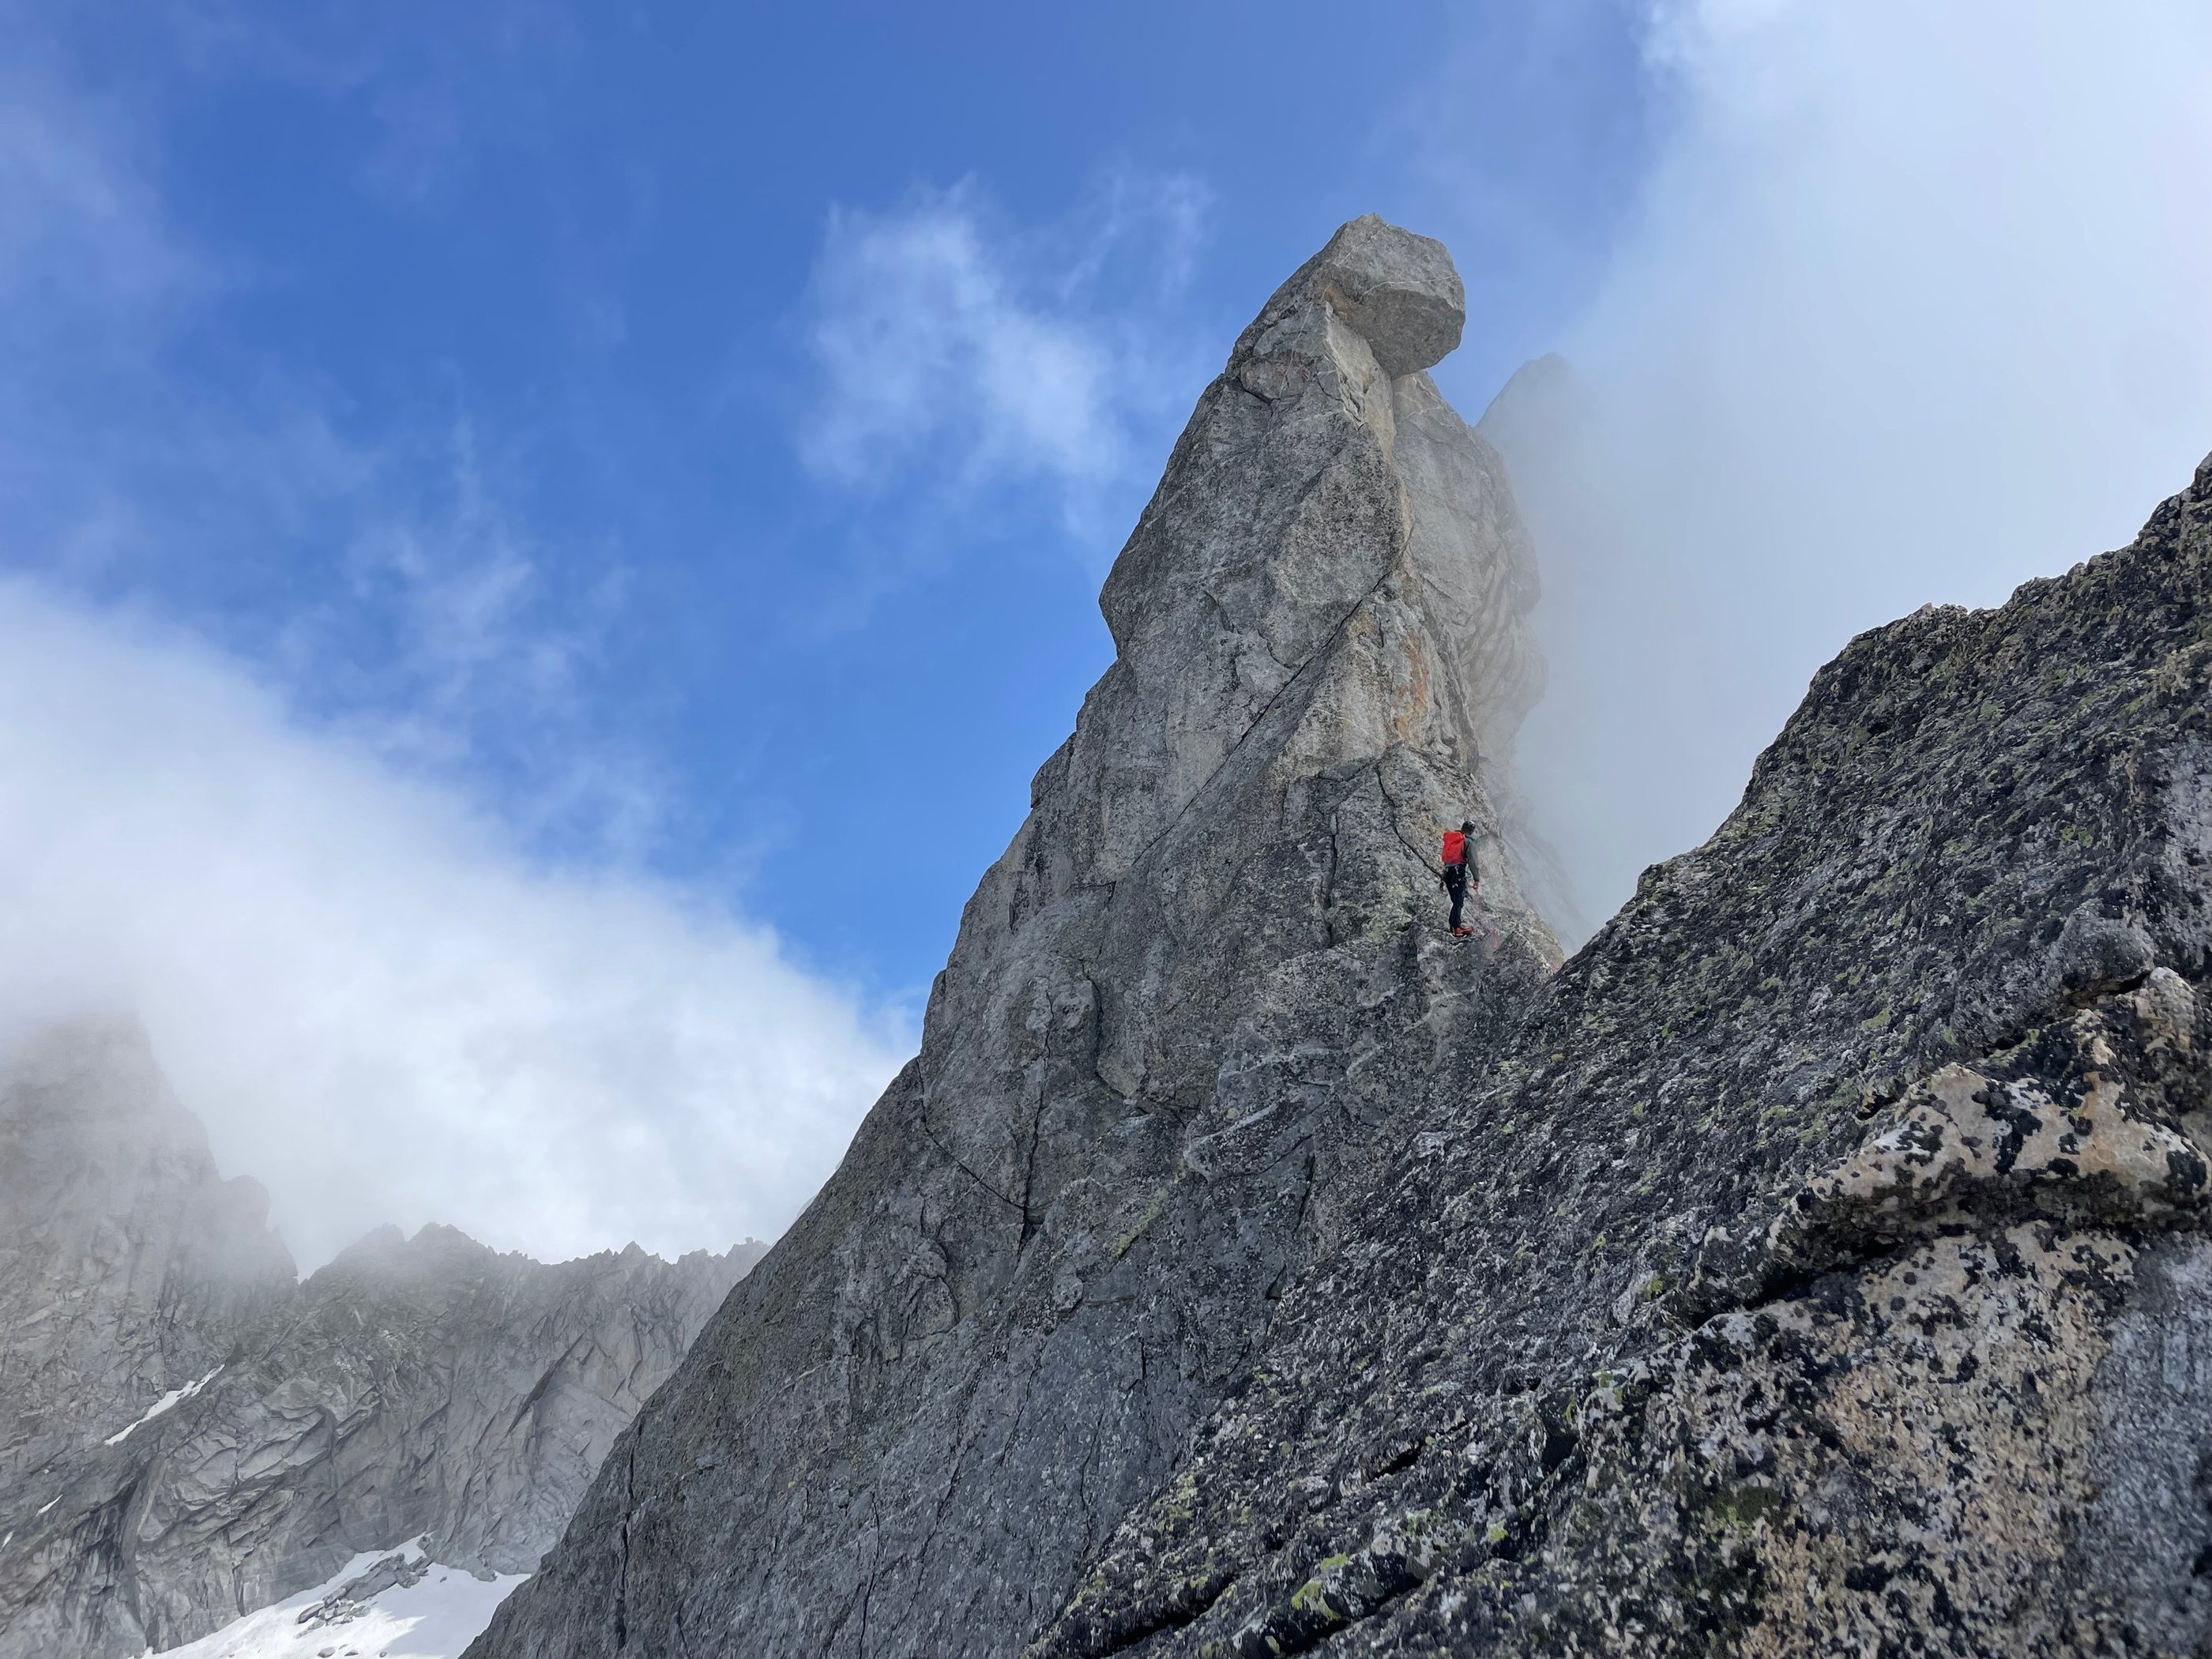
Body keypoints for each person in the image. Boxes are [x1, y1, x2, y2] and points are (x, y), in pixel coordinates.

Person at [1439, 820, 1480, 935]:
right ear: (1472, 831)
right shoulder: (1468, 842)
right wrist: (1477, 879)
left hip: (1447, 873)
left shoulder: (1454, 840)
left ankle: (1454, 926)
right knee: (1459, 900)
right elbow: (1473, 862)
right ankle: (1457, 928)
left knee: (1455, 899)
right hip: (1458, 873)